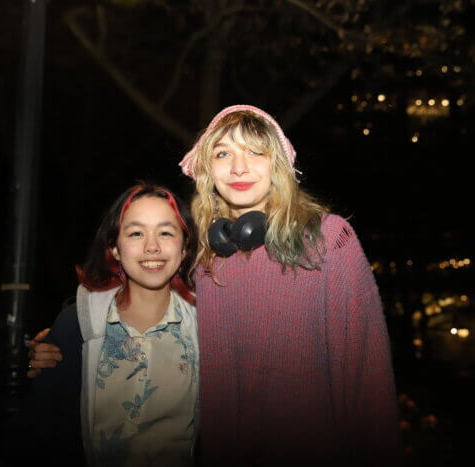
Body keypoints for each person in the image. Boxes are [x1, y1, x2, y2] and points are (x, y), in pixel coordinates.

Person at [30, 105, 400, 466]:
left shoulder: (329, 240)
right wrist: (63, 344)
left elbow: (371, 385)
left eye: (256, 152)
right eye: (223, 153)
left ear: (280, 166)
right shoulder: (208, 263)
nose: (239, 167)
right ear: (208, 171)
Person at [23, 183, 199, 467]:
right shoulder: (76, 326)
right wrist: (32, 367)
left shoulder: (210, 329)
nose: (152, 246)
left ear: (185, 247)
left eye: (165, 232)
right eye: (136, 233)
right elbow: (42, 433)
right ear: (115, 249)